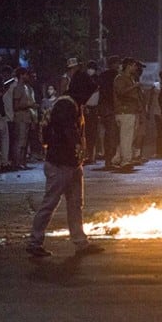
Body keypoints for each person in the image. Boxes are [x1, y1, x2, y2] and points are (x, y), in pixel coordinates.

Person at [26, 73, 104, 257]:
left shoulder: (72, 103)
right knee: (50, 203)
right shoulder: (66, 104)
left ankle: (80, 242)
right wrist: (77, 148)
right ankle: (34, 241)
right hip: (61, 162)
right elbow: (68, 131)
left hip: (71, 162)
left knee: (75, 204)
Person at [111, 57, 142, 169]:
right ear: (128, 66)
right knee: (126, 137)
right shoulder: (120, 78)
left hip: (130, 110)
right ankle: (126, 160)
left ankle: (117, 158)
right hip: (124, 111)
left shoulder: (130, 78)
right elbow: (121, 92)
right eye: (134, 65)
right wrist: (134, 86)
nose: (136, 68)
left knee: (127, 136)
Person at [11, 67, 38, 169]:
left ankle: (22, 162)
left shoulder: (27, 88)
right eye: (26, 74)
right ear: (21, 75)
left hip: (27, 117)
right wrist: (29, 105)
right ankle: (17, 163)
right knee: (20, 141)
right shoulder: (18, 88)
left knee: (25, 141)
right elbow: (16, 106)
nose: (28, 76)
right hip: (20, 118)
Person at [97, 55, 121, 168]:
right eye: (117, 63)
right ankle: (109, 160)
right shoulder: (116, 76)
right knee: (112, 134)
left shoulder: (102, 76)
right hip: (111, 107)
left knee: (108, 134)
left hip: (104, 107)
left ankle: (109, 159)